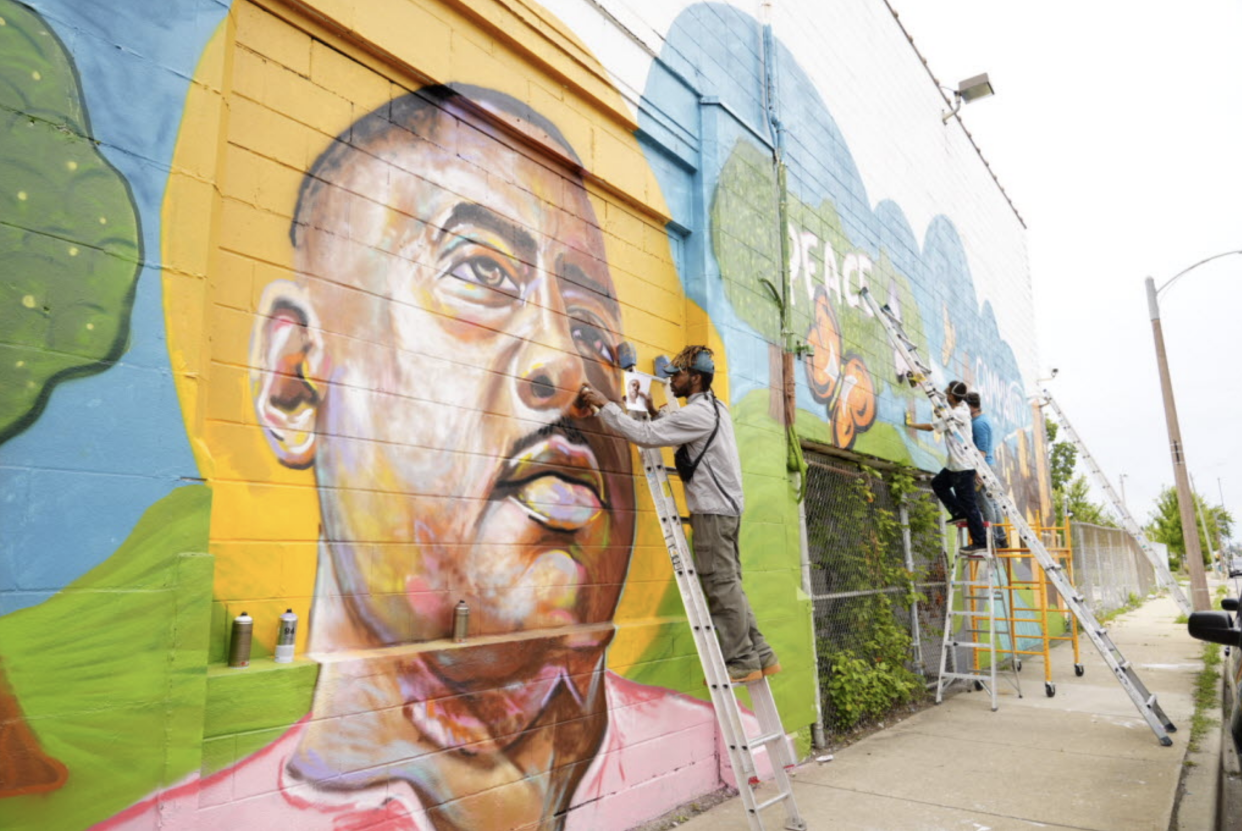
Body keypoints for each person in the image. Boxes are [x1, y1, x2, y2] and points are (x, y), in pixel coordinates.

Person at [103, 85, 763, 831]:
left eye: (586, 321)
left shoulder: (708, 731)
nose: (565, 364)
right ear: (294, 384)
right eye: (480, 272)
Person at [578, 346, 780, 683]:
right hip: (726, 510)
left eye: (678, 375)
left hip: (713, 513)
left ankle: (742, 660)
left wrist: (604, 405)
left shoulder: (698, 415)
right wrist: (656, 412)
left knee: (720, 584)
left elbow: (643, 436)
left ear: (695, 379)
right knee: (730, 584)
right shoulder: (716, 408)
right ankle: (760, 654)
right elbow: (674, 427)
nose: (672, 380)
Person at [909, 381, 987, 554]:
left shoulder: (957, 415)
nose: (945, 393)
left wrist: (911, 424)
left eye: (947, 392)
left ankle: (980, 541)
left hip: (963, 467)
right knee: (938, 484)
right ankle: (957, 512)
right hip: (954, 465)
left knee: (970, 505)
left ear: (952, 396)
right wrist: (922, 381)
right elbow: (943, 396)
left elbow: (932, 427)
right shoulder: (962, 404)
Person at [966, 391, 1008, 548]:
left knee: (985, 503)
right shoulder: (982, 420)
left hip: (983, 466)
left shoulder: (979, 423)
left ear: (971, 406)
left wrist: (978, 472)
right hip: (987, 466)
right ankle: (1000, 537)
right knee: (993, 502)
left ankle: (992, 539)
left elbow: (982, 450)